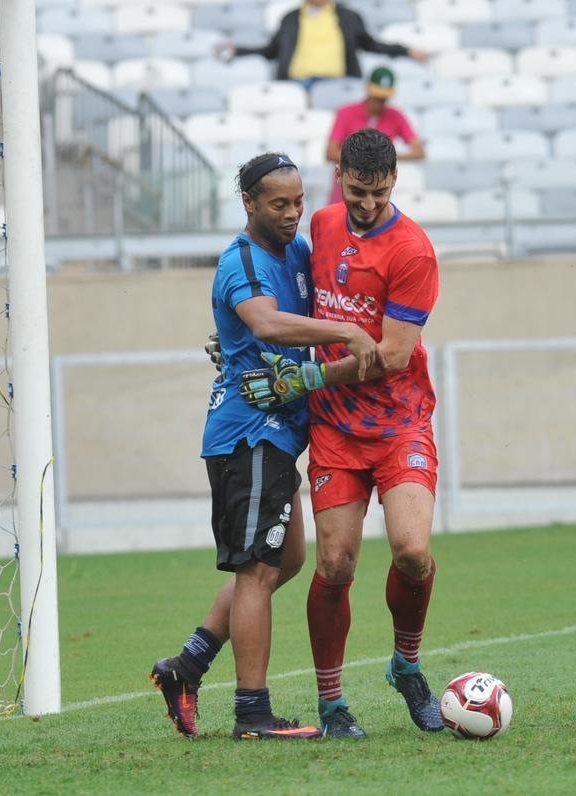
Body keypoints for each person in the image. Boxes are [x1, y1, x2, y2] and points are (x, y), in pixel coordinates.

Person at [150, 152, 383, 741]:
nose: (292, 213)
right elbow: (266, 324)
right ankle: (252, 712)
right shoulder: (242, 259)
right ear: (249, 203)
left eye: (298, 201)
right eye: (278, 203)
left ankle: (188, 665)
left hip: (278, 433)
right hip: (247, 433)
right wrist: (348, 332)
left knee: (289, 560)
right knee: (257, 570)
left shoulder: (298, 255)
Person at [240, 129, 444, 739]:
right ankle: (332, 705)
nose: (367, 205)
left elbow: (395, 354)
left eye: (379, 193)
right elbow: (287, 302)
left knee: (412, 551)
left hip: (398, 419)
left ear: (393, 184)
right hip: (336, 427)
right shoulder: (322, 227)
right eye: (357, 192)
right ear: (340, 177)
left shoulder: (412, 251)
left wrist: (308, 376)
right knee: (334, 562)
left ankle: (406, 664)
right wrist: (238, 342)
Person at [215, 0, 428, 85]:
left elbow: (371, 44)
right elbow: (271, 50)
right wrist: (238, 50)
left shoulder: (347, 16)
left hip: (337, 82)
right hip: (298, 83)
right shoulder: (291, 17)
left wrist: (406, 50)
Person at [325, 66, 424, 205]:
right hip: (347, 190)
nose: (380, 101)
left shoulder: (396, 116)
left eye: (384, 98)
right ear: (367, 89)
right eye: (377, 96)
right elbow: (330, 153)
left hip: (378, 193)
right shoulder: (346, 113)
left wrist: (384, 158)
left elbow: (419, 151)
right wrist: (372, 159)